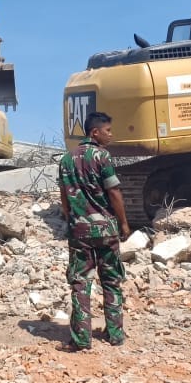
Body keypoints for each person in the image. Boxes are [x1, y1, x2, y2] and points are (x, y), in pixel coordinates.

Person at [57, 111, 131, 351]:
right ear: (95, 132)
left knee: (81, 283)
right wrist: (123, 223)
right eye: (108, 131)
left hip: (80, 232)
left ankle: (81, 339)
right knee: (111, 281)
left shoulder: (66, 160)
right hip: (106, 230)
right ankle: (115, 334)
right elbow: (114, 192)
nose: (111, 135)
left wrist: (72, 220)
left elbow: (64, 198)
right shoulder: (103, 156)